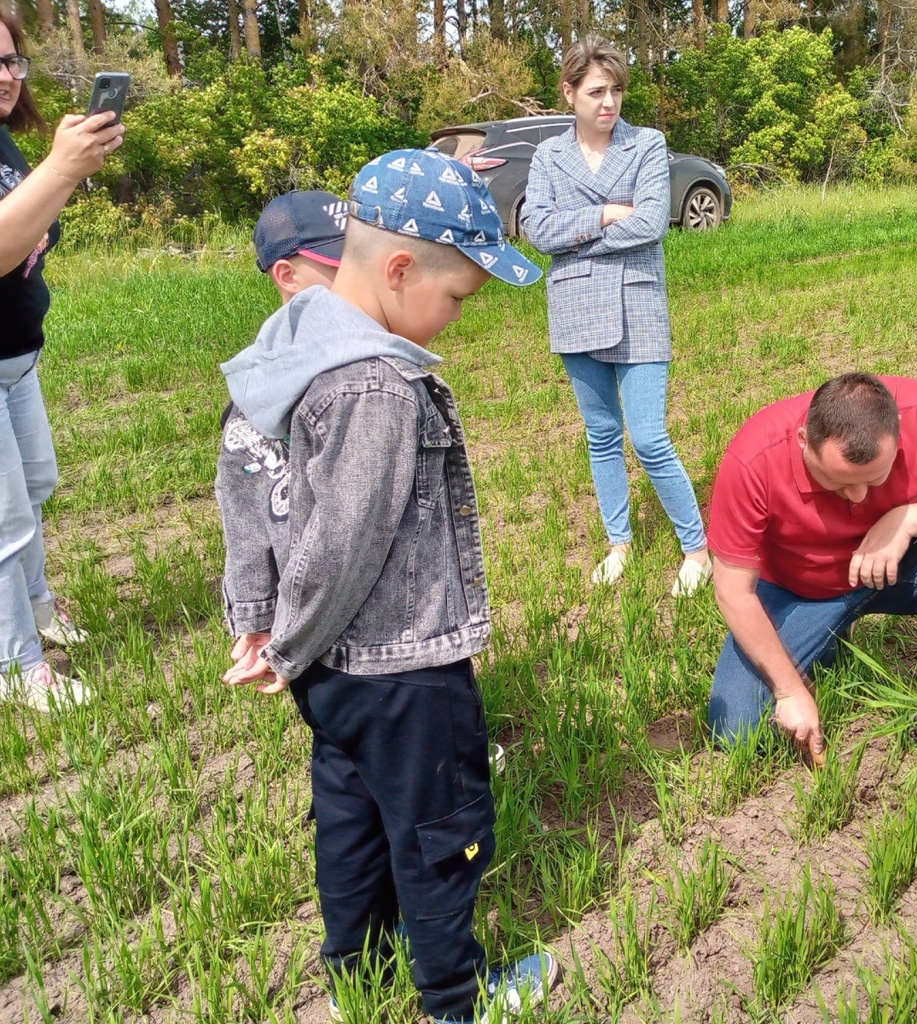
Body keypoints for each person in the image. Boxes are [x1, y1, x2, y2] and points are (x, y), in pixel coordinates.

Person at [219, 149, 556, 1022]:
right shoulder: (377, 385)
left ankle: (358, 978)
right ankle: (456, 996)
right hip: (401, 664)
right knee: (440, 829)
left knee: (352, 818)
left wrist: (259, 621)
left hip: (332, 677)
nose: (453, 318)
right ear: (399, 269)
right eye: (456, 298)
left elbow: (245, 492)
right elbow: (344, 542)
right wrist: (287, 642)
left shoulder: (281, 349)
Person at [706, 373, 917, 761]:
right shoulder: (755, 457)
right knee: (737, 732)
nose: (857, 496)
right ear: (803, 440)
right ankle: (829, 639)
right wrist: (789, 691)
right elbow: (732, 591)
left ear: (899, 434)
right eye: (835, 482)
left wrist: (907, 519)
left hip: (895, 567)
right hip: (797, 588)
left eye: (876, 478)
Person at [521, 34, 711, 598]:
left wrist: (575, 242)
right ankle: (619, 542)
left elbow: (653, 223)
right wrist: (604, 212)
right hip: (575, 309)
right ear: (569, 92)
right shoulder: (548, 156)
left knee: (650, 437)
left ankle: (696, 548)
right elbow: (537, 231)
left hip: (639, 305)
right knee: (602, 435)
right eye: (597, 91)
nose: (609, 103)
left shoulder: (647, 144)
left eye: (617, 91)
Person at [0, 9, 123, 709]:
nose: (10, 75)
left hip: (17, 358)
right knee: (2, 519)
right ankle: (15, 666)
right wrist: (61, 167)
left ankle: (39, 606)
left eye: (14, 60)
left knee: (34, 489)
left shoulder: (8, 145)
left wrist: (62, 175)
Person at [217, 190, 346, 684]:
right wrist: (256, 613)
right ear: (287, 276)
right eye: (337, 263)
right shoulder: (268, 387)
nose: (355, 274)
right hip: (311, 611)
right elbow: (245, 509)